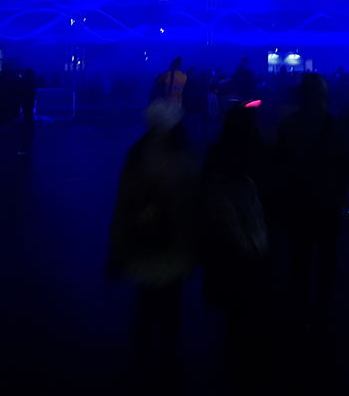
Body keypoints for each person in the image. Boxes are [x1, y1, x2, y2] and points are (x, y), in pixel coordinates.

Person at [108, 98, 200, 392]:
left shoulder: (138, 154)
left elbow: (124, 201)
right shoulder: (183, 154)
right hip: (175, 242)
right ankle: (168, 355)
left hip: (144, 240)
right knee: (172, 301)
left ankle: (142, 355)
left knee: (146, 300)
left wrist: (118, 243)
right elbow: (193, 201)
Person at [276, 73, 349, 339]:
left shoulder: (288, 125)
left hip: (297, 203)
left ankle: (300, 313)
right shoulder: (335, 125)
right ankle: (323, 309)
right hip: (329, 202)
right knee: (327, 257)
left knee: (299, 260)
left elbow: (279, 168)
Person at [201, 103, 272, 393]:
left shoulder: (216, 152)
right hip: (258, 242)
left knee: (234, 309)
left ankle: (235, 362)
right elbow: (274, 196)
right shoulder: (263, 152)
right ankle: (255, 364)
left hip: (226, 243)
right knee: (256, 304)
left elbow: (205, 195)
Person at [19, 68, 37, 154]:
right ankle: (29, 126)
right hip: (30, 102)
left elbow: (22, 91)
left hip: (25, 102)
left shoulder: (25, 82)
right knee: (29, 117)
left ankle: (26, 146)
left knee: (27, 119)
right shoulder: (32, 82)